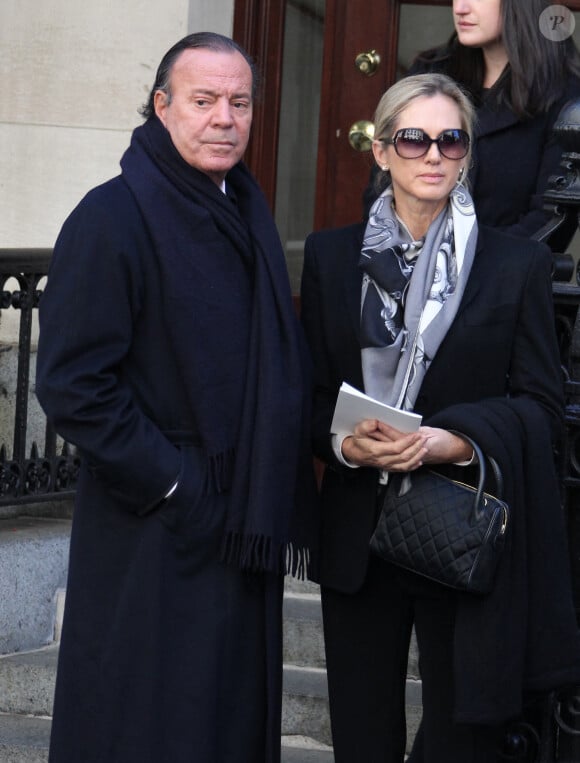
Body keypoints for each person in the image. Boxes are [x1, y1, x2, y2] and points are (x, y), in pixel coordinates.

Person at [36, 32, 318, 763]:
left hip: (236, 519)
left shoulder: (246, 210)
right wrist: (175, 482)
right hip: (153, 527)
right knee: (146, 722)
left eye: (240, 102)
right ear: (161, 107)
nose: (225, 117)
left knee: (224, 723)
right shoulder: (114, 216)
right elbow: (73, 385)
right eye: (203, 100)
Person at [301, 72, 580, 763]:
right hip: (356, 533)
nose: (433, 155)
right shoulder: (331, 258)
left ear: (466, 154)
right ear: (382, 152)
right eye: (414, 138)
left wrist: (453, 440)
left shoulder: (517, 264)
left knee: (462, 739)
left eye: (451, 140)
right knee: (362, 739)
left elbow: (543, 410)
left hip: (460, 531)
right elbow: (304, 397)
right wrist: (347, 446)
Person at [365, 0, 580, 248]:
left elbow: (551, 219)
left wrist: (462, 265)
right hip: (406, 267)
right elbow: (382, 184)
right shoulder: (432, 72)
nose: (460, 8)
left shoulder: (565, 96)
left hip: (504, 276)